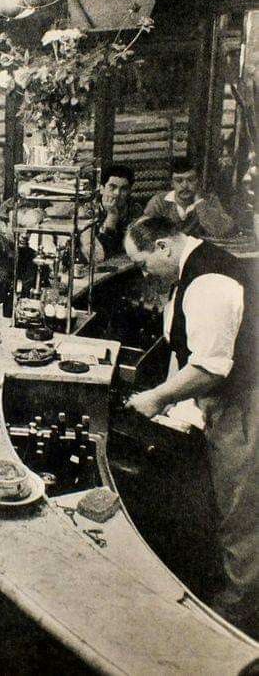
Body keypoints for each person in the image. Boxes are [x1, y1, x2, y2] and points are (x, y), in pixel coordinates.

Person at [123, 216, 257, 637]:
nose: (143, 273)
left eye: (143, 263)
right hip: (227, 401)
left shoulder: (208, 282)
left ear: (163, 246)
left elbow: (211, 368)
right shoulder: (189, 273)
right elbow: (184, 350)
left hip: (245, 403)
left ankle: (237, 616)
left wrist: (158, 398)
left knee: (242, 509)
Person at [143, 156, 235, 238]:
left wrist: (199, 203)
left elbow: (222, 231)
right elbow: (143, 231)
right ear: (171, 183)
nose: (185, 185)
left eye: (191, 180)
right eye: (179, 181)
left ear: (199, 181)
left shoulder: (209, 200)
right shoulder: (159, 202)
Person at [85, 164, 136, 261]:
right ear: (101, 189)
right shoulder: (89, 210)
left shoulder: (134, 209)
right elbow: (100, 253)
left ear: (129, 191)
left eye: (124, 189)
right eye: (112, 187)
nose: (117, 193)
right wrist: (112, 216)